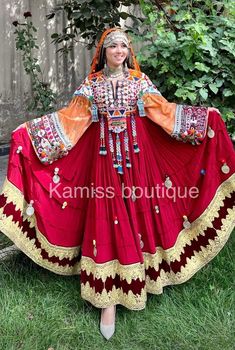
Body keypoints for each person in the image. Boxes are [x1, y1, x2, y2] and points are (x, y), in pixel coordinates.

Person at [0, 27, 234, 340]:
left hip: (139, 165)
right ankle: (107, 298)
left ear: (128, 51)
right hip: (104, 166)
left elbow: (165, 113)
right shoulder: (92, 86)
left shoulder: (139, 82)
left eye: (123, 46)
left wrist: (204, 118)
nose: (119, 51)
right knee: (107, 221)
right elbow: (71, 120)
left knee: (140, 214)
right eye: (113, 47)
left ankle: (148, 278)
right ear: (103, 53)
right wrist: (29, 135)